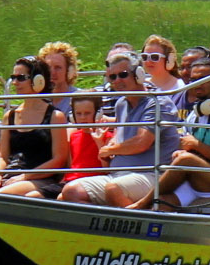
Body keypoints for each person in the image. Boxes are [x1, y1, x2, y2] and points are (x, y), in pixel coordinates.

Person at [126, 58, 210, 210]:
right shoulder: (194, 116)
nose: (197, 84)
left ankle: (141, 203)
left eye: (202, 79)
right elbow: (188, 150)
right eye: (193, 79)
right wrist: (180, 152)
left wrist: (196, 146)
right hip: (199, 175)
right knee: (162, 203)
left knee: (186, 160)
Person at [59, 50, 181, 207]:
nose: (117, 80)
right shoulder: (121, 104)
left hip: (151, 174)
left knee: (114, 189)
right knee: (70, 191)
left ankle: (138, 224)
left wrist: (111, 150)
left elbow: (141, 142)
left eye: (123, 75)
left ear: (139, 74)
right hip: (118, 175)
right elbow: (118, 141)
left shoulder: (157, 103)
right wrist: (107, 146)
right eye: (112, 77)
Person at [0, 56, 70, 197]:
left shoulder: (55, 116)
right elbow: (3, 156)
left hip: (40, 178)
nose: (14, 83)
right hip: (11, 176)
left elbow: (59, 159)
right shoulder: (10, 116)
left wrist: (26, 176)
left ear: (38, 80)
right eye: (13, 77)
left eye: (21, 78)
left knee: (0, 196)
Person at [63, 94, 106, 185]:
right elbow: (72, 166)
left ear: (98, 114)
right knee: (34, 196)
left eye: (87, 113)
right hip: (70, 181)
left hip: (91, 182)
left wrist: (99, 143)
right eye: (78, 114)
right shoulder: (73, 136)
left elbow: (107, 168)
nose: (82, 117)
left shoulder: (107, 137)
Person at [139, 34, 186, 113]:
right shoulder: (140, 85)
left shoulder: (180, 87)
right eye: (144, 57)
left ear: (169, 59)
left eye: (154, 57)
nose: (148, 61)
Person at [38, 41, 82, 118]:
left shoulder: (80, 98)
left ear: (69, 71)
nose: (52, 72)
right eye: (48, 67)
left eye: (58, 67)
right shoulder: (37, 99)